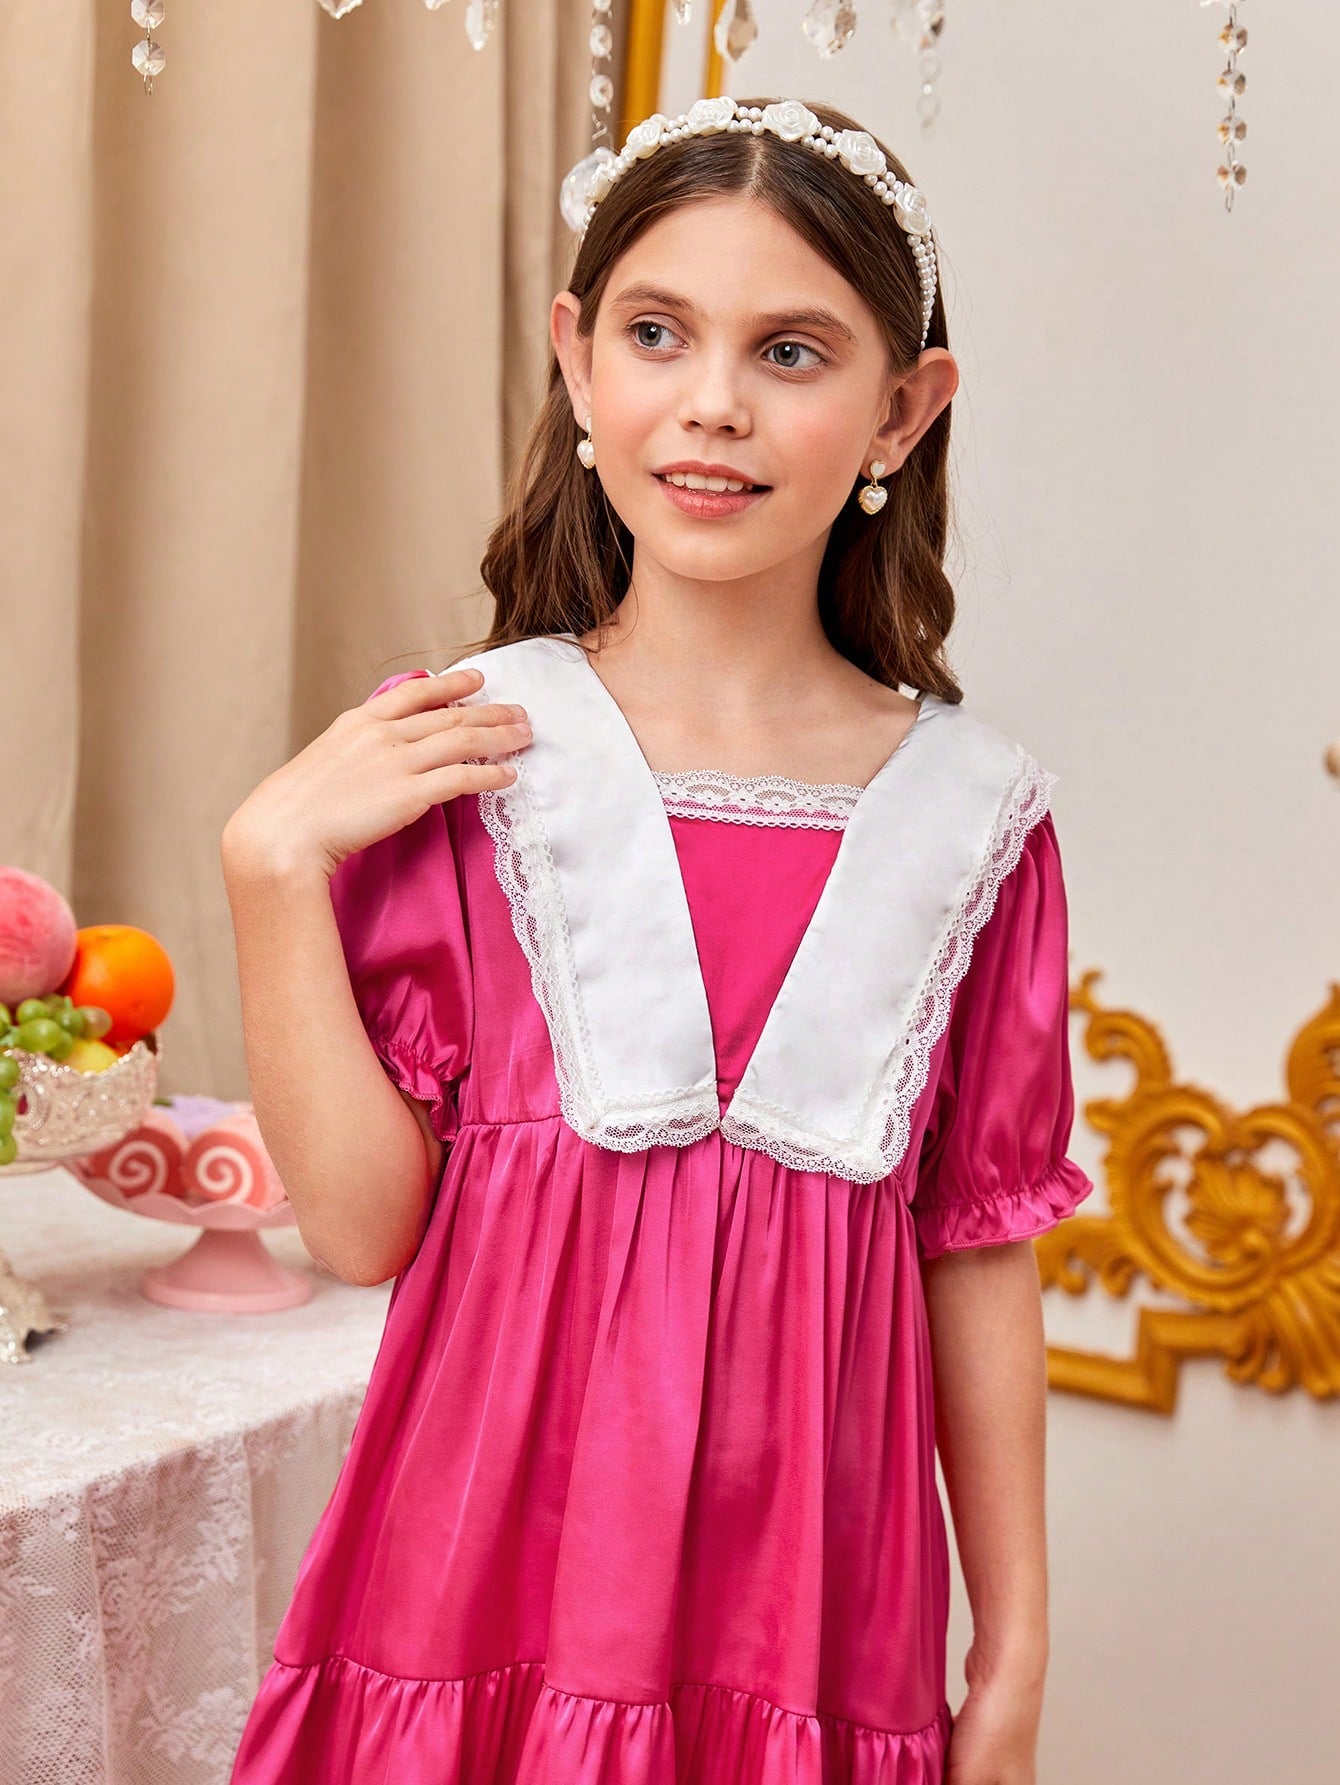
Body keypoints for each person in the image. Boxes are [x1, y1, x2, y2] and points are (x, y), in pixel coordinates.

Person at [222, 92, 1093, 1785]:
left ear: (903, 412)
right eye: (656, 332)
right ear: (577, 362)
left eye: (791, 350)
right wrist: (269, 868)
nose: (710, 404)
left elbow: (977, 1250)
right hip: (469, 1598)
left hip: (813, 1632)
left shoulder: (980, 823)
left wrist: (1019, 1648)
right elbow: (356, 1227)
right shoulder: (462, 752)